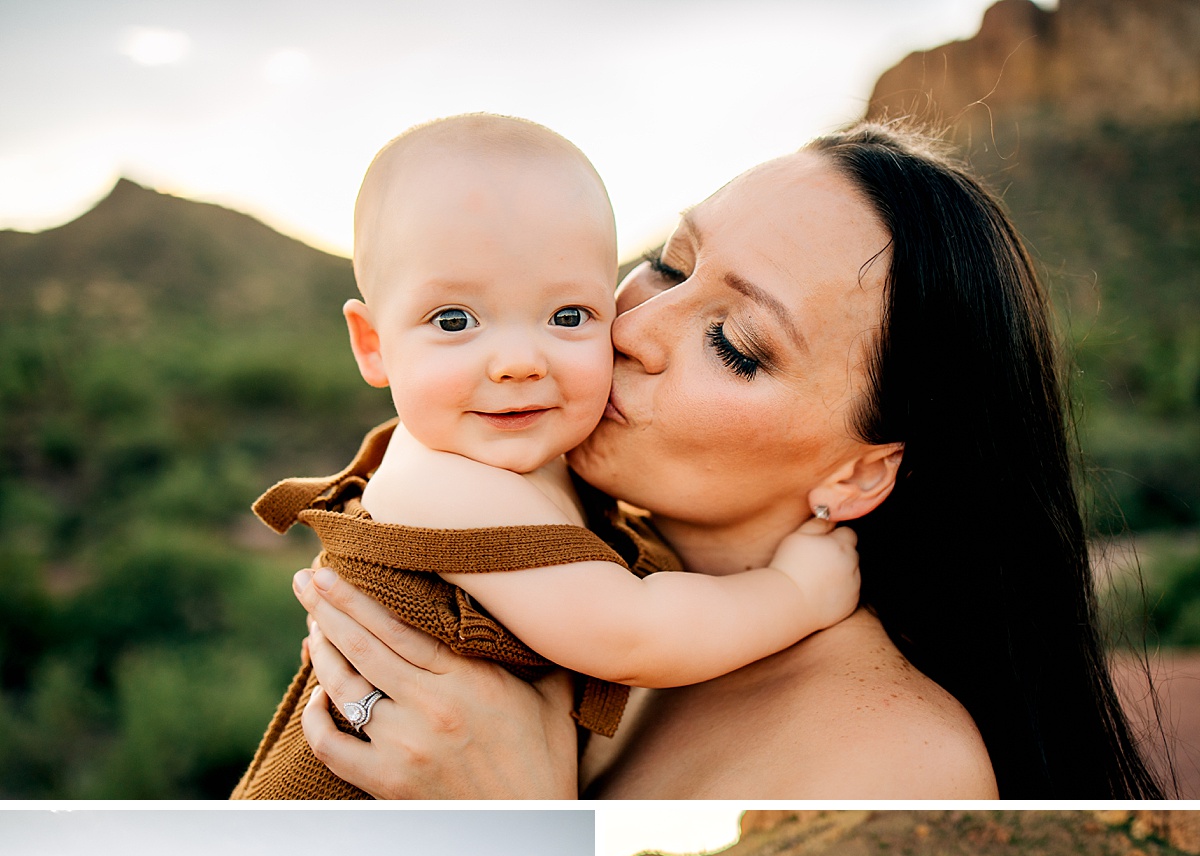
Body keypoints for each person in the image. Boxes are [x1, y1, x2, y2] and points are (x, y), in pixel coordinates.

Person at [286, 121, 1162, 801]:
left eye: (737, 345)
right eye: (668, 266)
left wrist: (517, 810)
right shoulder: (588, 551)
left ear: (859, 472)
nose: (627, 330)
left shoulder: (899, 760)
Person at [234, 114, 858, 800]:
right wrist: (795, 594)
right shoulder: (441, 484)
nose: (518, 362)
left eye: (567, 316)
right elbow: (632, 632)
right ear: (373, 343)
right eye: (454, 321)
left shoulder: (524, 463)